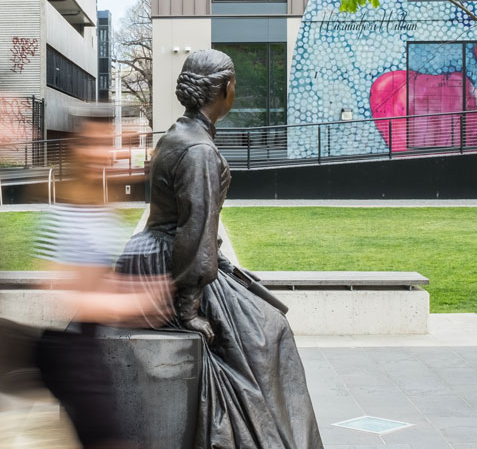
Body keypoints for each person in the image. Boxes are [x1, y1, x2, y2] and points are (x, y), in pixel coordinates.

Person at [115, 49, 322, 448]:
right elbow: (196, 232)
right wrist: (189, 308)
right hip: (172, 265)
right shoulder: (200, 151)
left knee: (263, 317)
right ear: (224, 90)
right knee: (269, 332)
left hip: (152, 254)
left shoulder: (178, 134)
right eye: (234, 86)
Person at [30, 103, 165, 449]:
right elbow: (64, 292)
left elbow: (98, 277)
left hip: (90, 351)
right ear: (76, 147)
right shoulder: (62, 211)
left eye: (107, 143)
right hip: (72, 353)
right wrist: (134, 301)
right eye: (91, 143)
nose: (101, 153)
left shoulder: (100, 204)